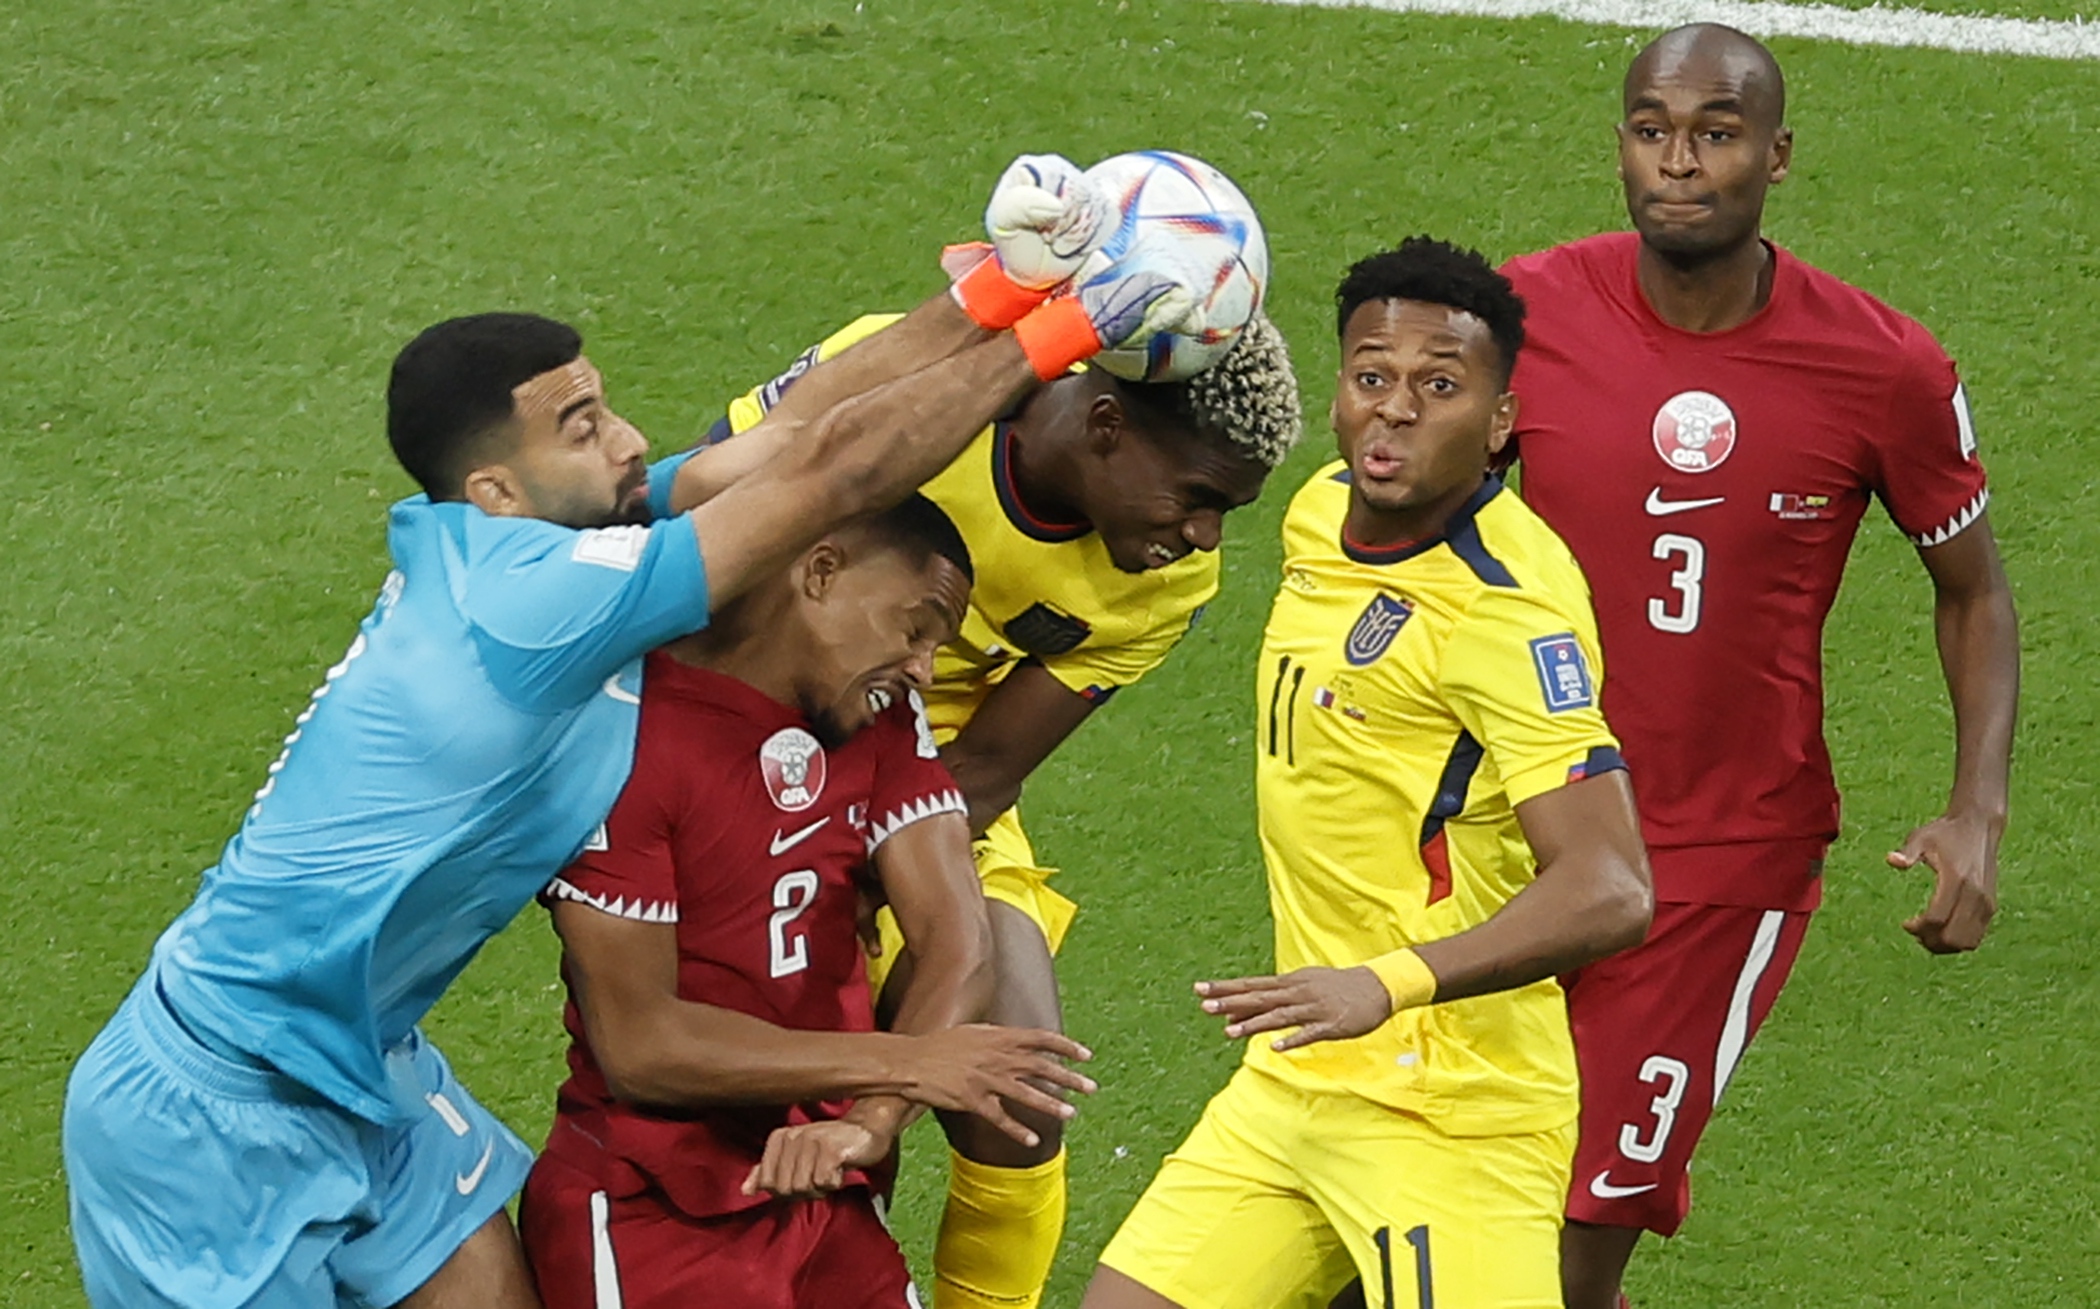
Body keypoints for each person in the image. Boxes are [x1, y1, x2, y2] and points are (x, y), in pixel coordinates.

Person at [60, 160, 1198, 1309]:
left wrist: (1002, 290)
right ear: (497, 488)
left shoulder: (526, 541)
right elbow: (835, 474)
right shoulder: (533, 607)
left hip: (368, 1070)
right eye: (583, 427)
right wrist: (1074, 328)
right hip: (212, 1103)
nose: (628, 440)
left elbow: (794, 432)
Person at [1497, 25, 2020, 1308]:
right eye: (1652, 130)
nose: (1679, 162)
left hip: (1718, 860)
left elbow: (1975, 591)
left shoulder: (1884, 366)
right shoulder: (1519, 318)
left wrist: (1977, 811)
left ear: (1776, 156)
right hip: (1512, 830)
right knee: (1428, 1209)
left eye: (1716, 134)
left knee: (1567, 1245)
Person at [705, 262, 1303, 1305]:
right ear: (1106, 425)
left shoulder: (1164, 577)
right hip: (741, 747)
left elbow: (983, 767)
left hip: (928, 787)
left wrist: (864, 888)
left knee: (1017, 1100)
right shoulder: (917, 374)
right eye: (1200, 498)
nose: (1206, 536)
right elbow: (707, 515)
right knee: (771, 1084)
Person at [1078, 237, 1653, 1309]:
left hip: (1449, 1109)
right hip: (1297, 1076)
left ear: (1499, 422)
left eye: (1439, 386)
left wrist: (1379, 984)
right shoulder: (1321, 509)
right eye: (1372, 375)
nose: (1394, 409)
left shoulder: (1504, 610)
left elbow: (1611, 885)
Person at [520, 493, 1095, 1308]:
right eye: (915, 629)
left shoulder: (879, 715)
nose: (925, 670)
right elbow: (642, 1043)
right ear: (821, 571)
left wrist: (872, 1120)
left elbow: (959, 942)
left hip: (825, 1191)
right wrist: (905, 1063)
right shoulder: (626, 731)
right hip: (652, 1209)